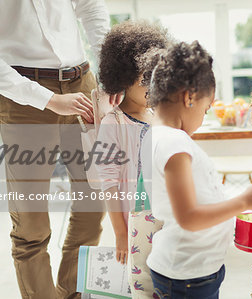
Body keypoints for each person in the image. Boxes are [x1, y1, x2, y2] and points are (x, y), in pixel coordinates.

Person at [0, 1, 111, 298]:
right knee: (30, 224)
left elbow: (91, 8)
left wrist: (109, 75)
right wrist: (47, 99)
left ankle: (73, 294)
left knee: (93, 206)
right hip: (23, 96)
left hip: (83, 84)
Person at [140, 41, 252, 299]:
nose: (204, 117)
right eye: (206, 109)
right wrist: (244, 200)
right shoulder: (174, 142)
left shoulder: (156, 137)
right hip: (187, 277)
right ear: (189, 97)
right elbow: (189, 217)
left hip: (191, 270)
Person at [95, 20, 171, 298]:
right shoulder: (112, 124)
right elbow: (109, 184)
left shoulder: (161, 118)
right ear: (122, 77)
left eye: (155, 78)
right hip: (135, 225)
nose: (151, 87)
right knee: (142, 286)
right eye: (143, 80)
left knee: (167, 282)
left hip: (166, 220)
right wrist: (119, 233)